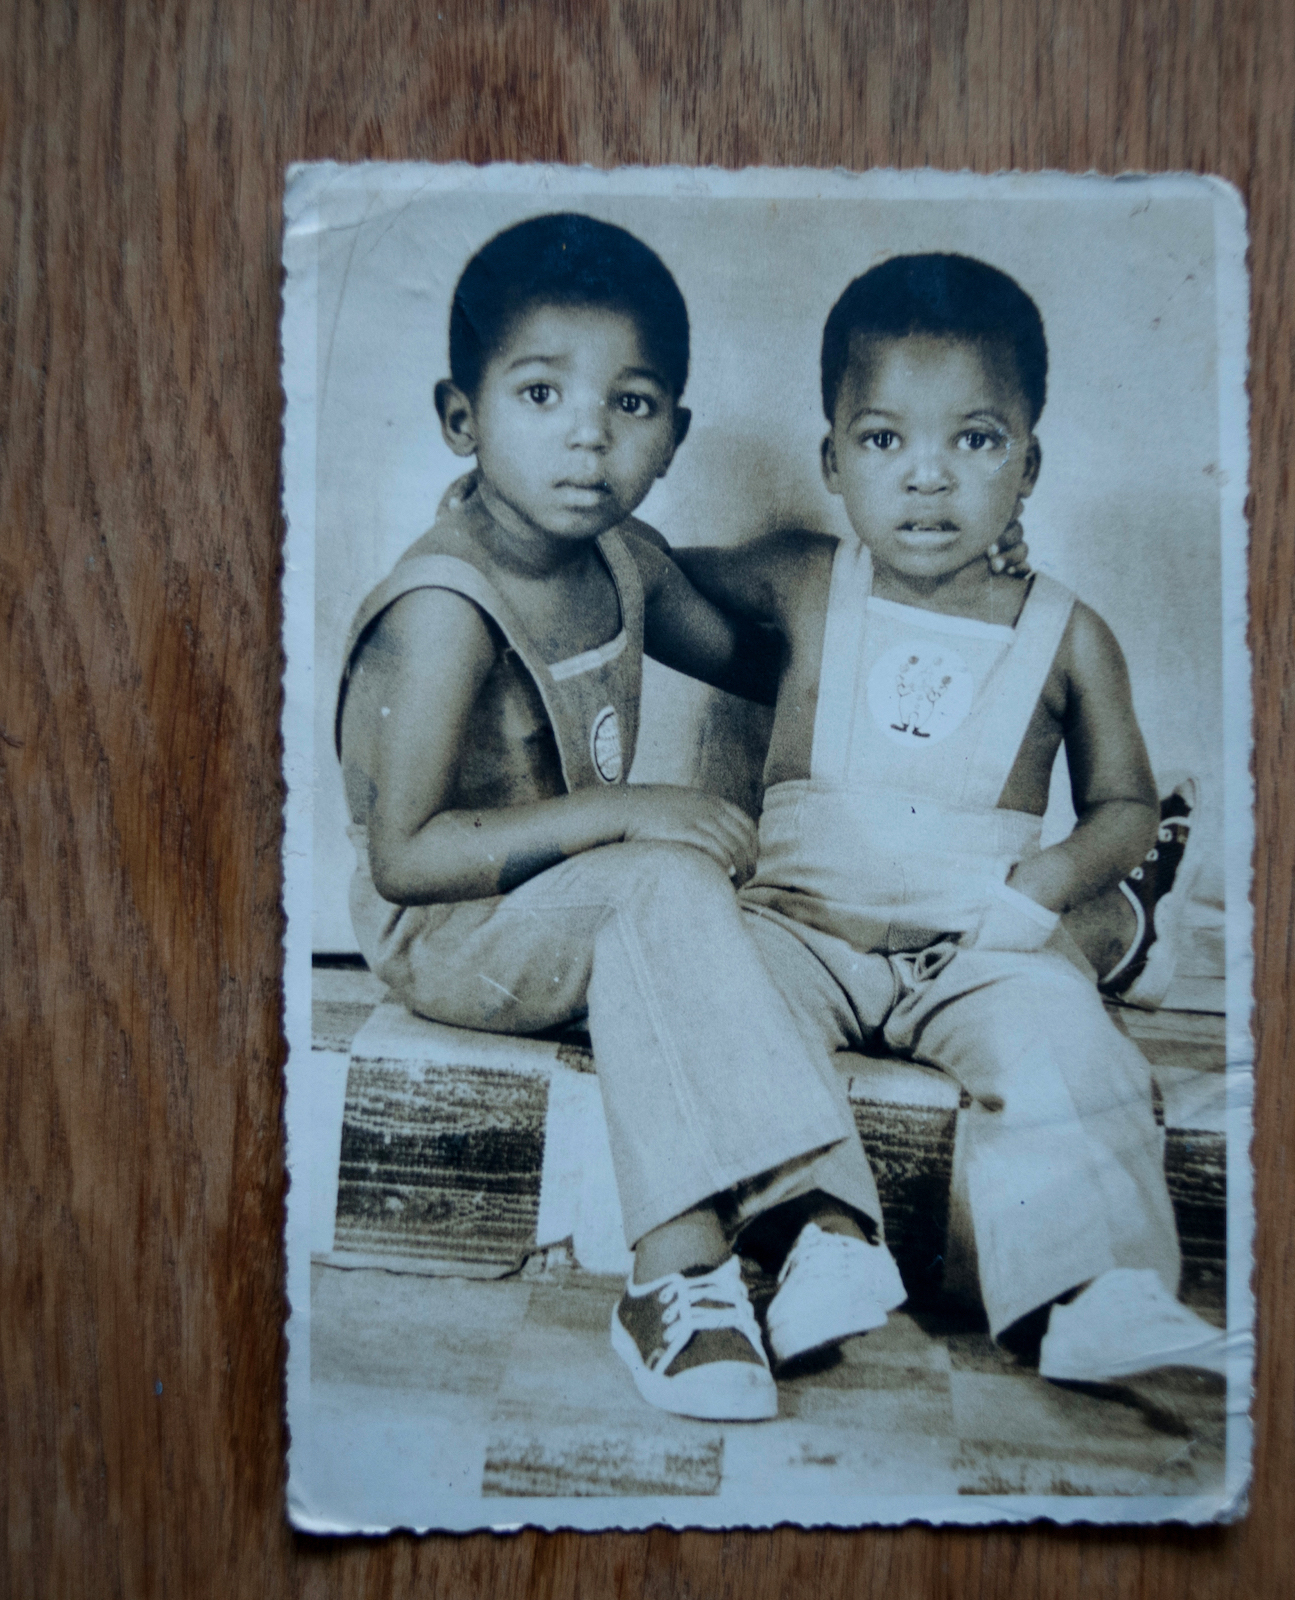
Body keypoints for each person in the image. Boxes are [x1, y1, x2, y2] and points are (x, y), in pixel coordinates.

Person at [334, 213, 910, 1424]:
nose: (587, 433)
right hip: (444, 928)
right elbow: (403, 856)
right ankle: (682, 1275)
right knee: (659, 878)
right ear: (461, 416)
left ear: (674, 434)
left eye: (632, 403)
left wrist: (896, 575)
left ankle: (813, 1239)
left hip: (572, 908)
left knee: (706, 902)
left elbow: (768, 658)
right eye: (540, 393)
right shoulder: (444, 604)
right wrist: (623, 811)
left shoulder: (622, 556)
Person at [670, 253, 1230, 1381]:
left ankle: (1091, 1291)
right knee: (719, 997)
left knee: (1067, 1044)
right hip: (798, 926)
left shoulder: (1068, 631)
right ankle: (818, 1239)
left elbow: (1120, 803)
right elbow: (643, 582)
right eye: (883, 442)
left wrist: (1047, 883)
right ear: (831, 460)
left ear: (1029, 463)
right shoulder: (801, 581)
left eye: (972, 442)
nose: (926, 480)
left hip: (977, 942)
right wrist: (514, 516)